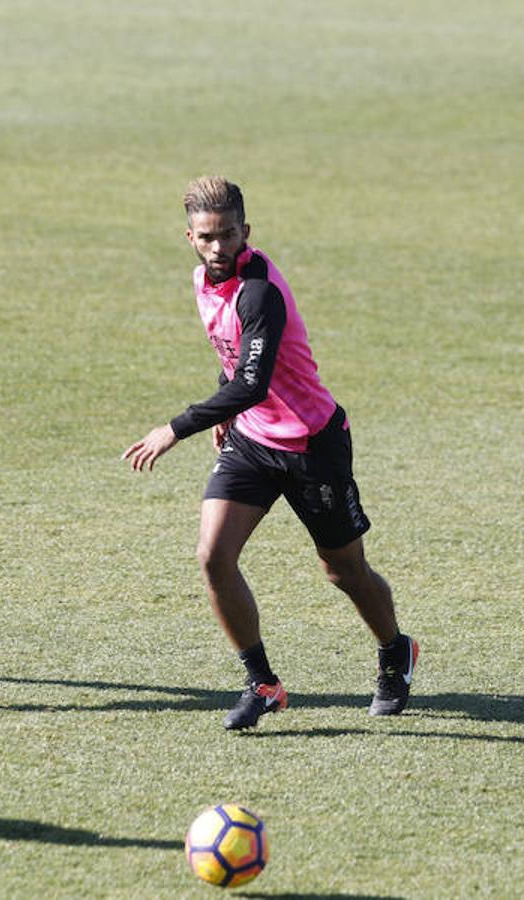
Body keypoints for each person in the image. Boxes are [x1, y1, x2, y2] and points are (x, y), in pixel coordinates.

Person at [123, 176, 418, 730]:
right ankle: (262, 684)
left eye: (228, 235)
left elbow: (255, 381)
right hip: (253, 442)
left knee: (343, 570)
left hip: (312, 444)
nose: (218, 248)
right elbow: (232, 357)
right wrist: (229, 408)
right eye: (207, 237)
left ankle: (395, 650)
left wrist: (175, 428)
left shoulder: (259, 290)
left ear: (246, 232)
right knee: (213, 556)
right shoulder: (202, 280)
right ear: (189, 236)